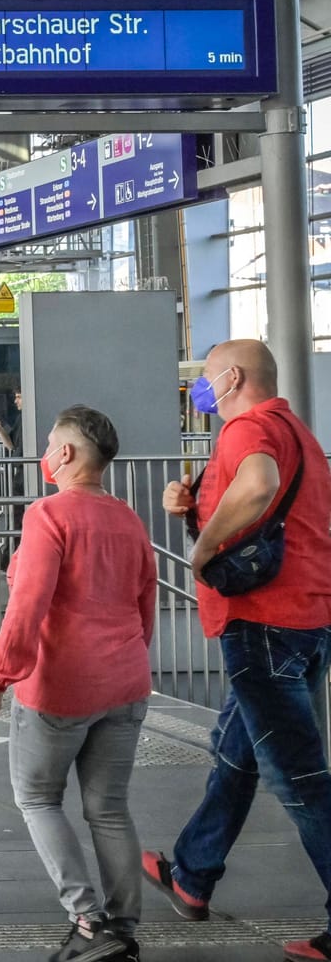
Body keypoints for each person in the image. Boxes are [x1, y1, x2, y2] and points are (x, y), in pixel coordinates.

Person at [146, 340, 331, 962]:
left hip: (263, 624)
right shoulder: (294, 431)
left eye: (205, 378)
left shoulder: (249, 428)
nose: (201, 389)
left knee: (301, 780)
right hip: (306, 618)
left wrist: (199, 554)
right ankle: (192, 874)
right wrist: (194, 506)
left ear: (231, 377)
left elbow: (259, 485)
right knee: (237, 757)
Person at [0, 405, 155, 962]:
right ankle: (123, 927)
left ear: (69, 454)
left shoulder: (48, 514)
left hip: (61, 684)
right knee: (109, 808)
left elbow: (27, 605)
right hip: (125, 682)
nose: (47, 451)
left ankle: (86, 920)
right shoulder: (127, 517)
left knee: (37, 797)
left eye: (52, 443)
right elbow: (146, 602)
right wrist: (129, 658)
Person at [0, 390, 25, 455]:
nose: (15, 401)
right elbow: (11, 445)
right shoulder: (20, 418)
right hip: (19, 463)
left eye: (19, 397)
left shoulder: (34, 420)